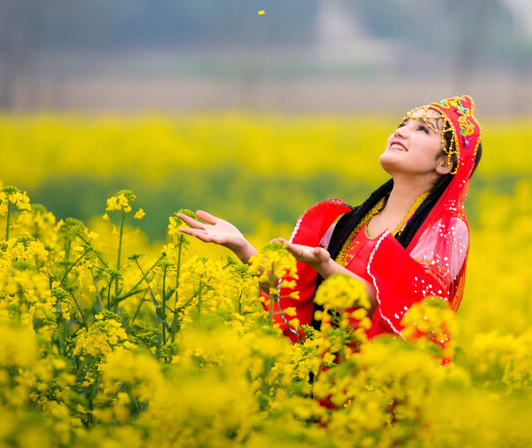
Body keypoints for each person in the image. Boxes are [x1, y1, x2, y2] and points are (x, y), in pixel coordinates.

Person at [176, 95, 482, 343]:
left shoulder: (444, 231)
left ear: (445, 163)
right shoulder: (346, 223)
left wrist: (325, 266)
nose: (401, 131)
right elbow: (291, 292)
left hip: (382, 397)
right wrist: (243, 247)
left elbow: (403, 306)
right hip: (322, 386)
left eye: (422, 129)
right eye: (403, 123)